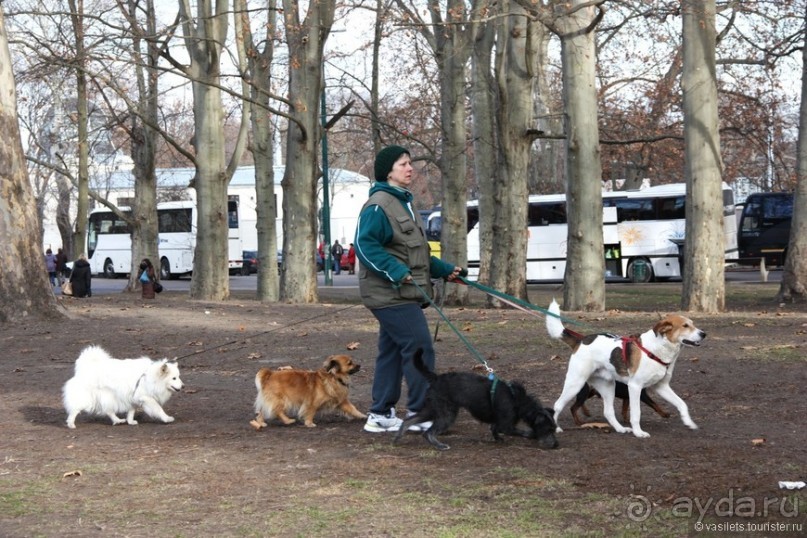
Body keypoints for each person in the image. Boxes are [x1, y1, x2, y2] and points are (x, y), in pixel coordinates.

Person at [354, 145, 463, 433]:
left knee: (391, 352)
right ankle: (420, 412)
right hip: (388, 293)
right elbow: (365, 245)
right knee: (418, 346)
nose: (410, 168)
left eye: (410, 163)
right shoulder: (378, 205)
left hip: (402, 292)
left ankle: (380, 414)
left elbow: (416, 253)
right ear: (388, 171)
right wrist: (395, 271)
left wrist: (444, 269)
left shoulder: (405, 203)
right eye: (403, 164)